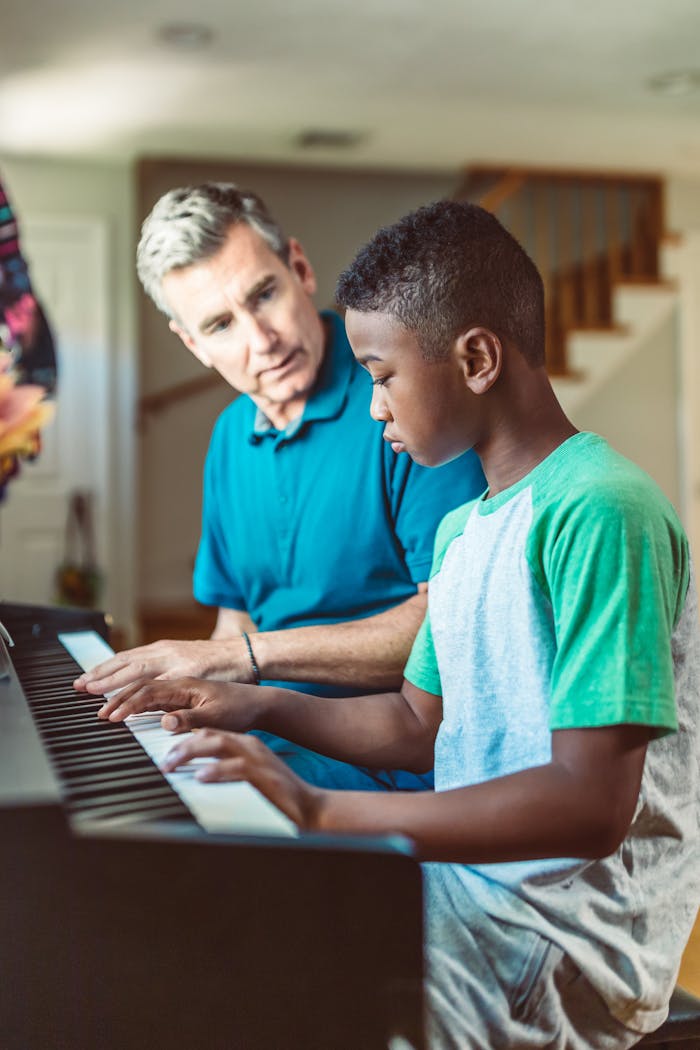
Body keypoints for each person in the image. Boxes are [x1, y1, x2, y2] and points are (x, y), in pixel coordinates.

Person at [97, 199, 700, 1048]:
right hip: (465, 885)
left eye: (381, 376)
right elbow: (418, 724)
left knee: (285, 1011)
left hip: (563, 934)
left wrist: (316, 811)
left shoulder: (603, 511)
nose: (374, 410)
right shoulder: (465, 529)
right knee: (202, 961)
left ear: (477, 359)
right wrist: (257, 703)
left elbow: (591, 805)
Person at [75, 183, 485, 790]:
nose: (260, 340)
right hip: (265, 732)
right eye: (219, 324)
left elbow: (452, 623)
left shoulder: (403, 400)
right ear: (192, 343)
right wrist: (179, 699)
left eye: (263, 295)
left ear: (299, 267)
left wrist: (239, 658)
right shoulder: (228, 437)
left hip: (389, 756)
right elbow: (234, 621)